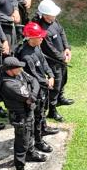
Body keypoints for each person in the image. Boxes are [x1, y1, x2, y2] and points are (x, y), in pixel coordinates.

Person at [0, 56, 42, 170]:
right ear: (10, 70)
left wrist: (32, 94)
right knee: (20, 146)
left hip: (28, 113)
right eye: (18, 67)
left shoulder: (18, 73)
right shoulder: (9, 84)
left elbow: (34, 80)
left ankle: (31, 153)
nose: (21, 69)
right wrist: (32, 95)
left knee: (30, 135)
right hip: (20, 117)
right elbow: (28, 97)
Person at [15, 21, 58, 157]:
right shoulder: (26, 56)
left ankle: (42, 130)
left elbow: (44, 63)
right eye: (39, 36)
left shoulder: (37, 47)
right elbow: (32, 76)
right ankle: (38, 141)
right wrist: (46, 81)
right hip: (36, 90)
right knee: (37, 115)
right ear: (31, 38)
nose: (42, 38)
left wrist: (50, 75)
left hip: (44, 87)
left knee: (42, 113)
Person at [34, 0, 72, 116]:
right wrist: (62, 57)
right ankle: (52, 109)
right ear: (45, 15)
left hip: (61, 58)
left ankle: (60, 98)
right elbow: (50, 49)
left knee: (63, 79)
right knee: (55, 85)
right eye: (52, 15)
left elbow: (61, 32)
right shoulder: (42, 29)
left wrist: (67, 48)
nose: (54, 17)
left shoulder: (53, 21)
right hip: (53, 61)